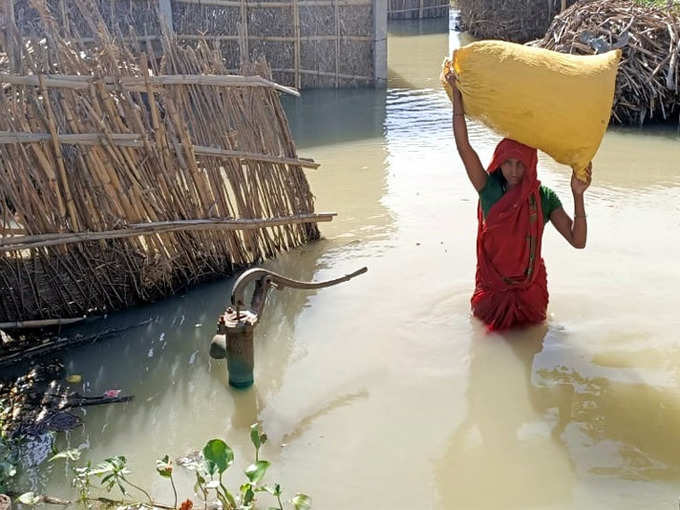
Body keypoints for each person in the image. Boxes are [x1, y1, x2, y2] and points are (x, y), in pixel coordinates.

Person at [444, 70, 592, 331]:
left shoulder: (543, 198)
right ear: (498, 163)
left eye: (520, 164)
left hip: (531, 297)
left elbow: (578, 241)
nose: (513, 170)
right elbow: (464, 146)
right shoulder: (487, 189)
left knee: (529, 357)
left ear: (531, 166)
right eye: (508, 163)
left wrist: (578, 195)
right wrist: (457, 95)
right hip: (491, 295)